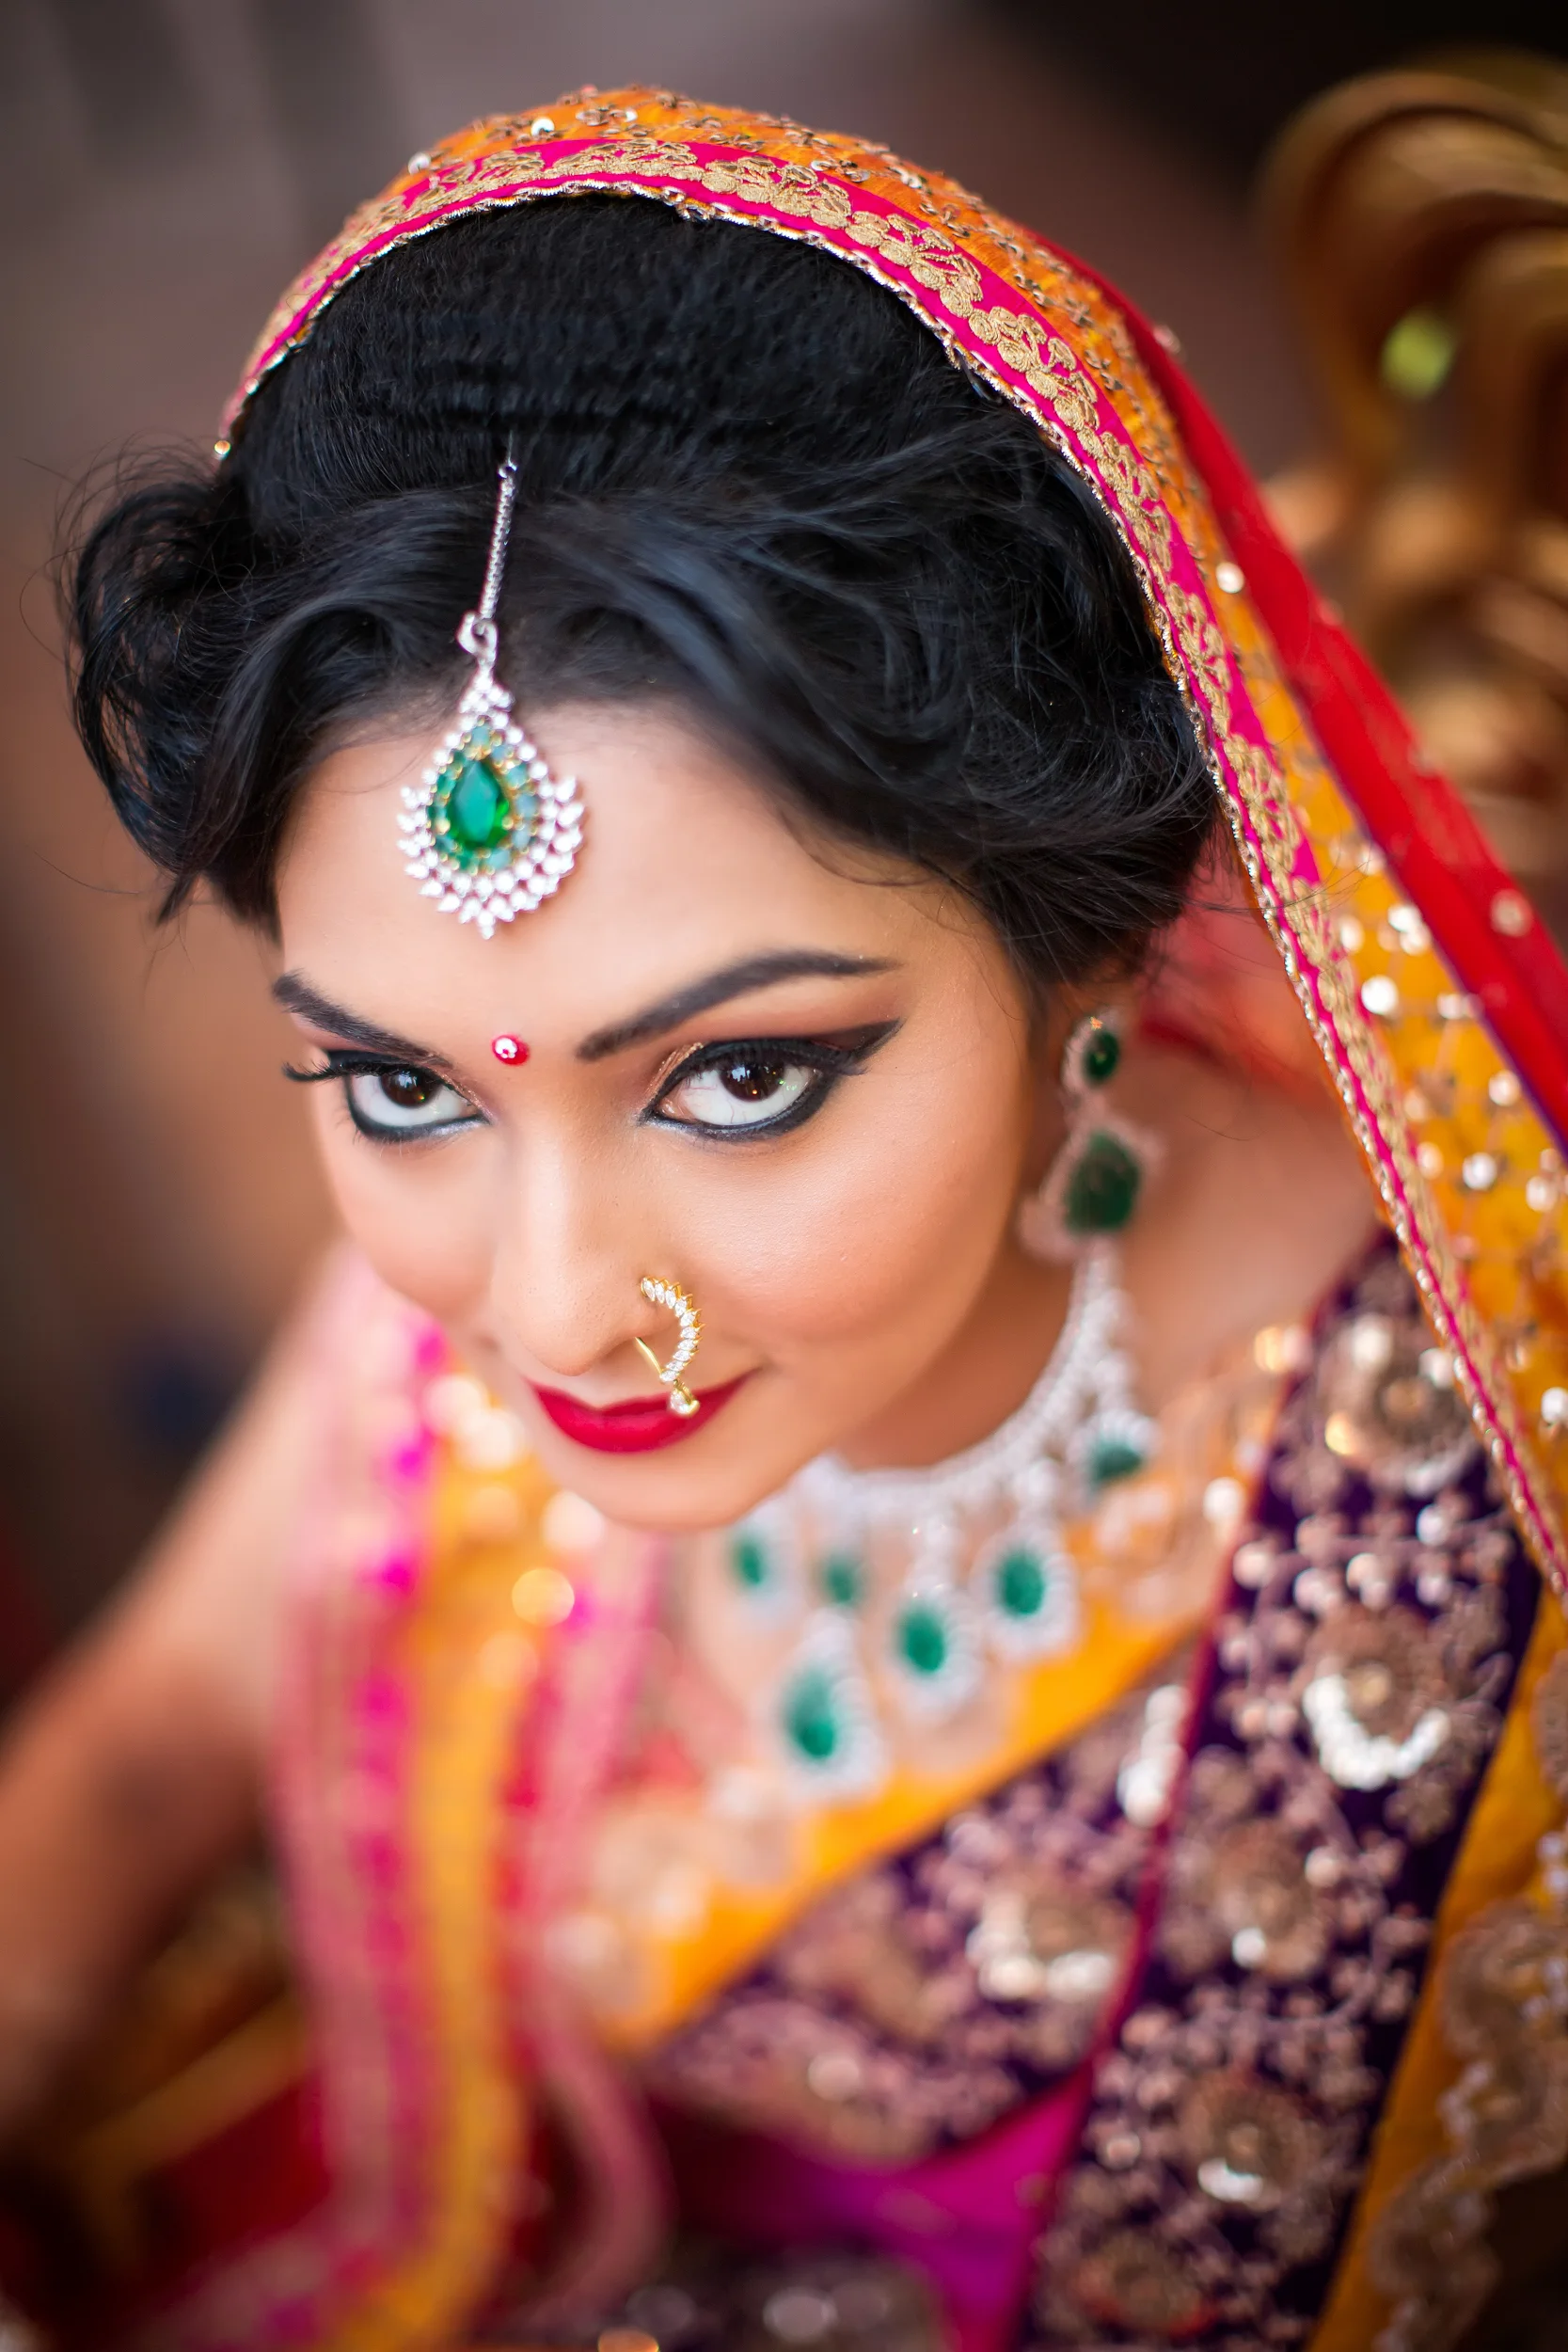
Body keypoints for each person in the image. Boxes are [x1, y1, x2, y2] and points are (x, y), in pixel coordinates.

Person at [0, 87, 1565, 2352]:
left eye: (740, 1077)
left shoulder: (1456, 1540)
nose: (542, 1310)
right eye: (394, 1081)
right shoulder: (511, 1205)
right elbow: (153, 1738)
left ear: (1089, 952)